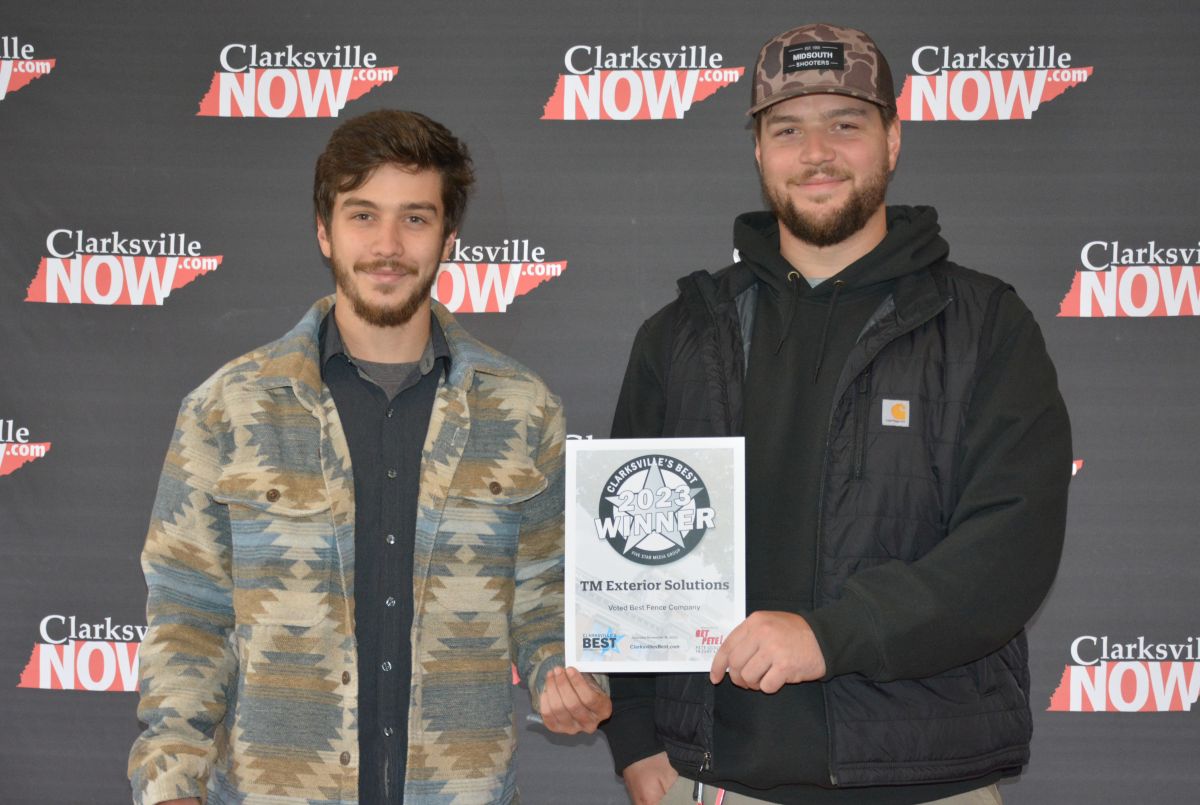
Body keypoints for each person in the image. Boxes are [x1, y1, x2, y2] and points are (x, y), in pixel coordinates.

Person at [600, 23, 1071, 805]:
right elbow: (627, 549)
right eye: (787, 129)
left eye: (845, 124)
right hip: (719, 780)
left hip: (927, 778)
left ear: (893, 140)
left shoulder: (984, 325)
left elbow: (1009, 550)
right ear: (759, 152)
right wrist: (636, 736)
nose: (815, 152)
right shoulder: (683, 333)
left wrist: (828, 636)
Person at [128, 109, 609, 805]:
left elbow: (548, 598)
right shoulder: (227, 408)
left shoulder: (522, 410)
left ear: (449, 238)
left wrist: (568, 673)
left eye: (415, 218)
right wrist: (173, 783)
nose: (388, 245)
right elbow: (188, 617)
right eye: (362, 216)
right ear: (324, 231)